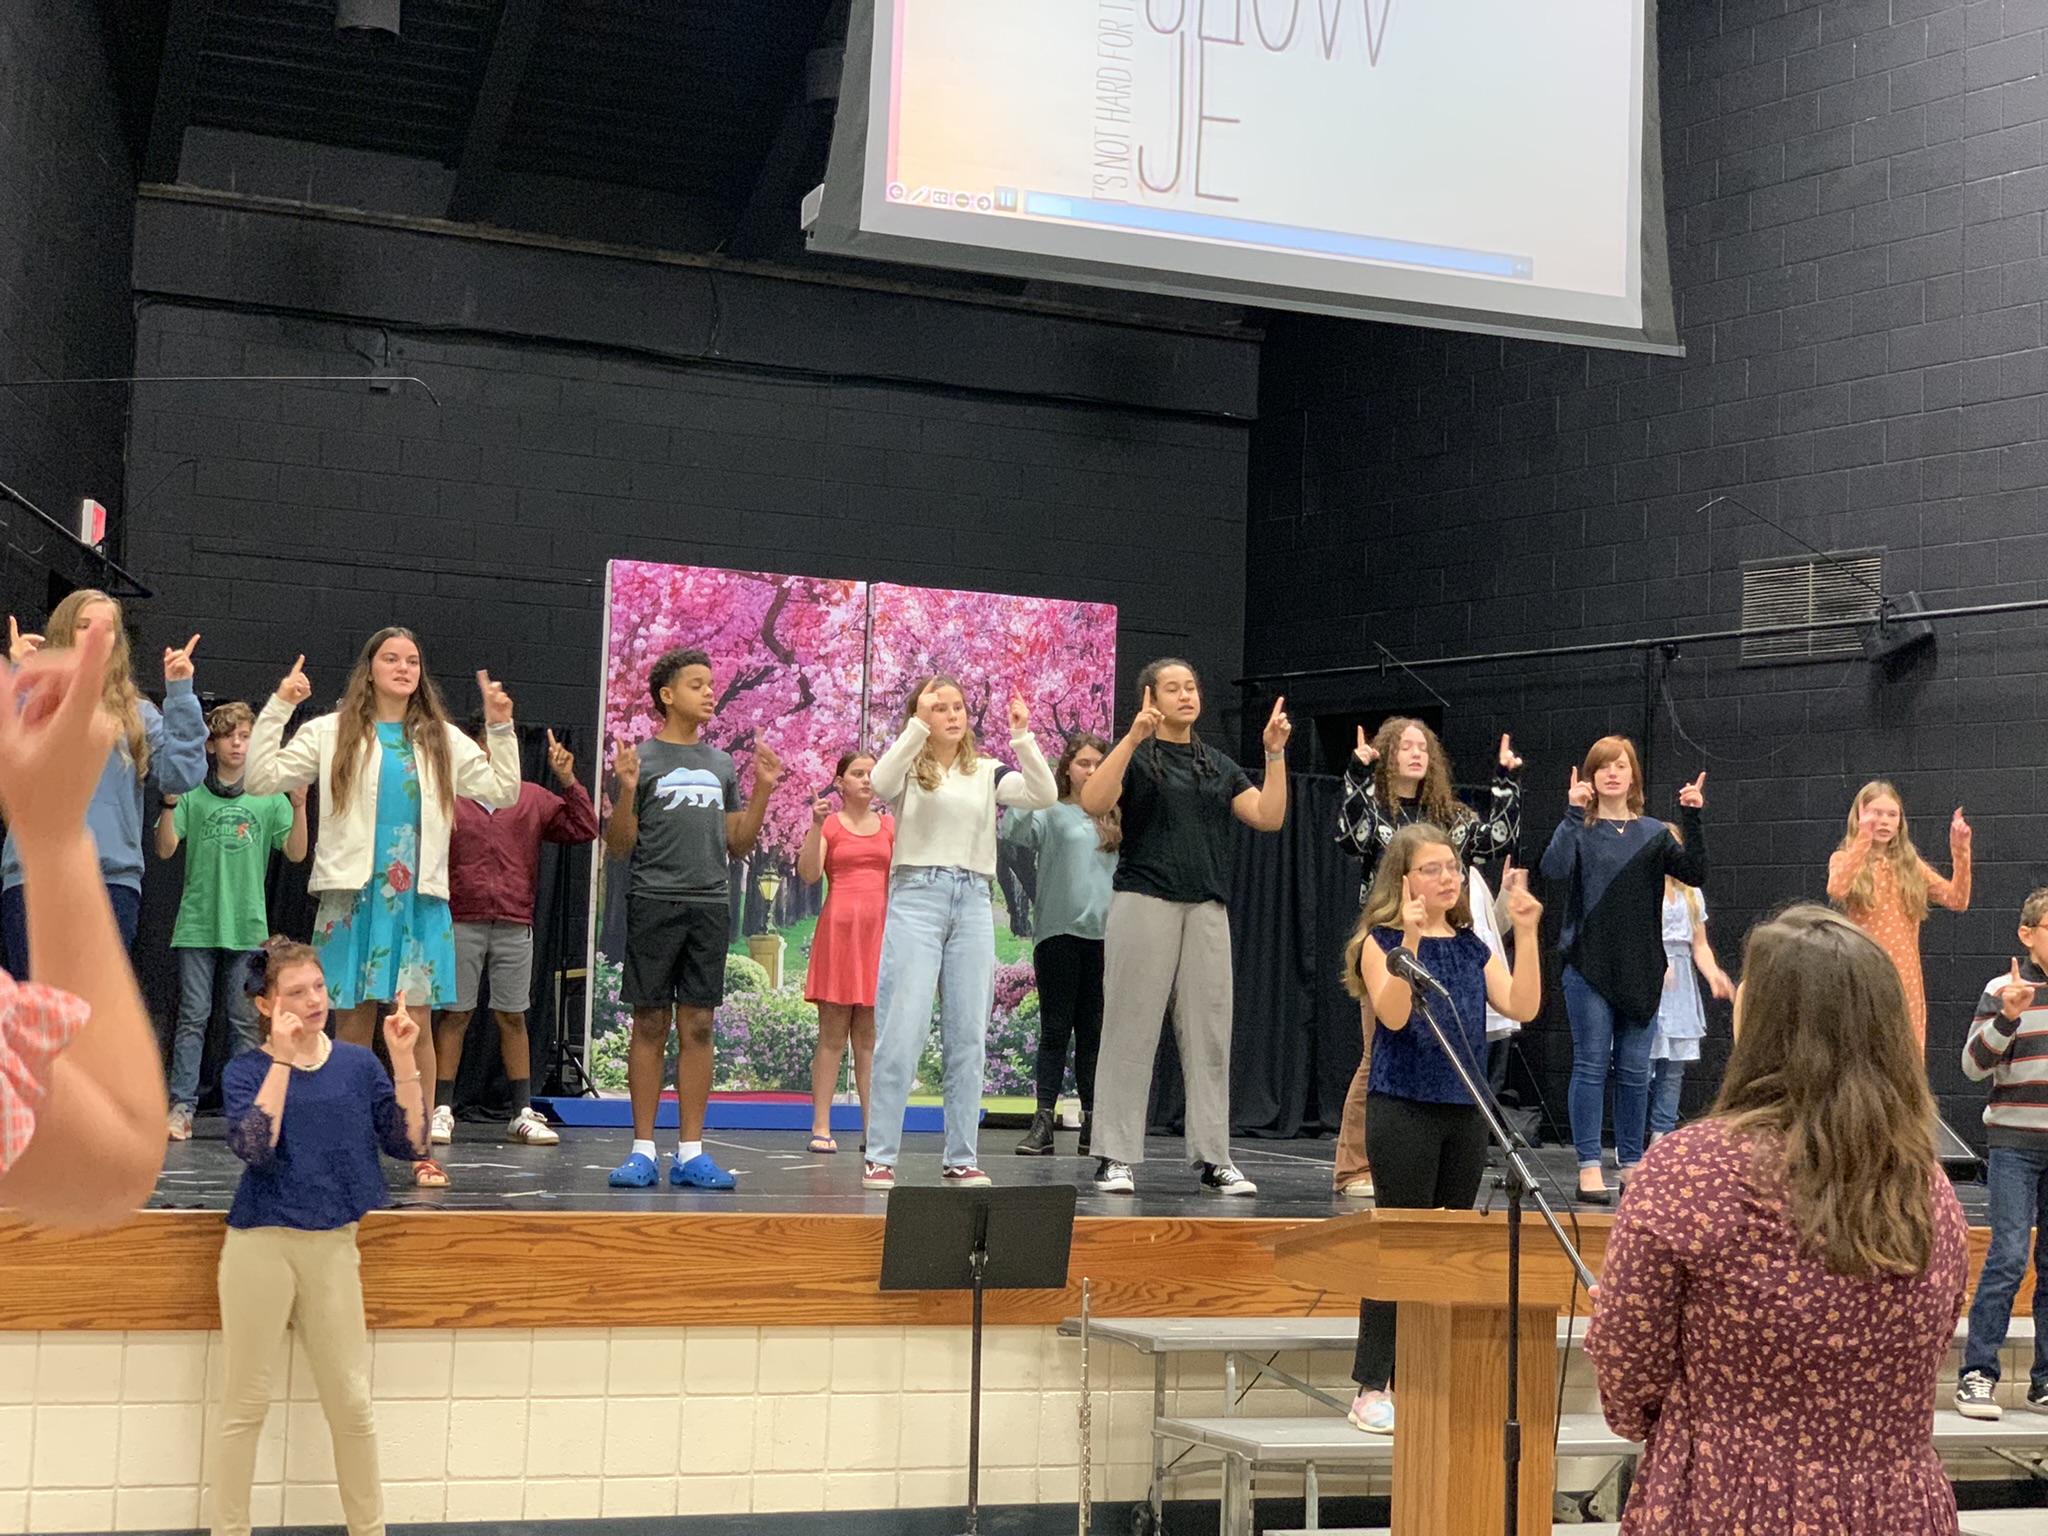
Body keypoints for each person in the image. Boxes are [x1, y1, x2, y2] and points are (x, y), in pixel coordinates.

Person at [1587, 905, 1968, 1535]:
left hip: (1729, 1505)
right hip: (1897, 1510)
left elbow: (1628, 1395)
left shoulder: (1690, 1171)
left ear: (1764, 1021)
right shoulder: (1932, 1189)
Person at [246, 633, 521, 1189]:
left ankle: (419, 1147)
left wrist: (499, 727)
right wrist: (280, 706)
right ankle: (346, 1145)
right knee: (351, 1022)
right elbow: (259, 778)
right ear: (369, 670)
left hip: (417, 897)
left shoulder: (440, 737)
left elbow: (504, 790)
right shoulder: (331, 731)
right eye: (390, 658)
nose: (403, 667)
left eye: (412, 660)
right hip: (354, 894)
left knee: (414, 1025)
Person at [211, 940, 427, 1536]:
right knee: (244, 1405)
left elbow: (411, 1143)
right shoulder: (245, 1071)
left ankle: (369, 1529)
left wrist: (403, 1060)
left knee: (352, 1404)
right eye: (296, 992)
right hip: (260, 1245)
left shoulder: (357, 1066)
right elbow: (255, 1147)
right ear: (265, 1005)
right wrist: (282, 1061)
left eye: (319, 987)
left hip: (332, 1246)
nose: (313, 1001)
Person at [1341, 824, 1542, 1435]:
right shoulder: (1380, 943)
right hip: (1403, 1107)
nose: (1449, 878)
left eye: (1453, 867)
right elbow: (1394, 1016)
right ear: (1404, 879)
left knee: (1448, 1246)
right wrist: (1409, 934)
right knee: (1401, 1243)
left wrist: (1527, 933)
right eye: (1433, 869)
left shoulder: (1471, 945)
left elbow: (1522, 1006)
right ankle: (1372, 1383)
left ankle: (1424, 1374)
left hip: (1464, 1110)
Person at [1080, 660, 1288, 1196]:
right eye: (1172, 688)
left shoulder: (1216, 764)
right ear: (1150, 697)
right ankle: (1114, 1155)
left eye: (1191, 686)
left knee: (1210, 1037)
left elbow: (1268, 816)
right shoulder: (1136, 755)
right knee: (1129, 1030)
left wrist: (1274, 754)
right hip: (1143, 900)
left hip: (1206, 909)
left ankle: (1215, 1158)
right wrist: (1131, 738)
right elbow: (1094, 801)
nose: (1186, 695)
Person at [0, 625, 171, 1229]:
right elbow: (115, 1166)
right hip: (44, 870)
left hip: (114, 872)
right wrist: (51, 834)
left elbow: (179, 769)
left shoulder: (137, 715)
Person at [861, 677, 1057, 1191]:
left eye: (958, 707)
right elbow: (879, 782)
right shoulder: (908, 767)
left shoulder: (986, 771)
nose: (952, 715)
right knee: (902, 1029)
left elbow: (1043, 793)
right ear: (921, 715)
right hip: (917, 896)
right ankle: (880, 1156)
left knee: (968, 1035)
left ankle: (961, 1157)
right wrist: (916, 726)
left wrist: (1022, 737)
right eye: (939, 708)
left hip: (972, 899)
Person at [605, 647, 781, 1190]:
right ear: (667, 695)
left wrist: (763, 789)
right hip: (653, 900)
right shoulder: (642, 759)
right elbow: (619, 846)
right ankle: (642, 1150)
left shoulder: (721, 763)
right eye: (696, 684)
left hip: (709, 905)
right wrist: (626, 791)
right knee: (650, 1022)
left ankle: (691, 1153)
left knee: (699, 1024)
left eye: (711, 683)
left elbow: (738, 843)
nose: (709, 693)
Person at [1331, 718, 1523, 1199]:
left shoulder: (1451, 818)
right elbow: (1351, 837)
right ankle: (1354, 1166)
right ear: (1387, 755)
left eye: (1423, 747)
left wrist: (1506, 784)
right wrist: (1357, 774)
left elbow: (1497, 841)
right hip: (1394, 944)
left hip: (1449, 942)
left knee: (1450, 1045)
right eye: (1405, 746)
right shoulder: (1377, 811)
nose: (1416, 754)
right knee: (1380, 1053)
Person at [1539, 737, 1706, 1203]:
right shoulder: (1581, 828)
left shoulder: (1652, 832)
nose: (1612, 773)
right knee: (1592, 1064)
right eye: (1603, 767)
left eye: (1621, 766)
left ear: (1633, 776)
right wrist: (1572, 813)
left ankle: (1632, 1163)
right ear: (1591, 777)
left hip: (1641, 967)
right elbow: (1552, 869)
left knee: (1635, 1072)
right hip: (1588, 965)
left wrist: (1693, 816)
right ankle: (1589, 1165)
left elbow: (1695, 873)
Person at [2, 594, 207, 967]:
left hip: (110, 881)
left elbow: (182, 775)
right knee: (37, 1002)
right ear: (64, 633)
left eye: (106, 627)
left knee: (95, 1005)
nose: (96, 635)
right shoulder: (32, 700)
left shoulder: (137, 713)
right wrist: (20, 679)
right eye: (84, 626)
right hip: (35, 876)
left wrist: (180, 694)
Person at [431, 722, 597, 1149]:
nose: (491, 755)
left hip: (514, 920)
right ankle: (441, 1109)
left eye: (501, 746)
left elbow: (583, 827)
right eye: (483, 747)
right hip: (459, 918)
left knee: (513, 1015)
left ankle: (521, 1112)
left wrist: (568, 780)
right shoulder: (448, 796)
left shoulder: (530, 797)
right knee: (455, 1014)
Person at [157, 702, 310, 1141]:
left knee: (244, 1022)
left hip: (247, 928)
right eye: (228, 736)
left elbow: (296, 853)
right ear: (212, 745)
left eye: (245, 736)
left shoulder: (267, 797)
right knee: (193, 1017)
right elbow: (165, 849)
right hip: (198, 924)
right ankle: (181, 1107)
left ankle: (246, 1108)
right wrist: (169, 802)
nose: (238, 744)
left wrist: (300, 806)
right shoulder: (193, 794)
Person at [1954, 889, 2048, 1420]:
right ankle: (1978, 1374)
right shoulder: (2002, 989)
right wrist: (2008, 1017)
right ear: (2027, 934)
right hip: (2015, 1143)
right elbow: (1973, 1067)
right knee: (2009, 1255)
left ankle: (2044, 1380)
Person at [1001, 733, 1118, 1156]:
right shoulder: (1051, 809)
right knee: (1055, 1029)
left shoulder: (1114, 815)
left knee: (1093, 1032)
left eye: (1097, 763)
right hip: (1058, 934)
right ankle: (1044, 1121)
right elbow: (1013, 830)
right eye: (1083, 763)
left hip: (1105, 938)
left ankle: (1093, 1122)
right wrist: (1029, 786)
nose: (1091, 770)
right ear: (1067, 768)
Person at [796, 751, 893, 1153]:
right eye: (857, 773)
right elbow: (809, 873)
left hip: (878, 935)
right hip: (839, 933)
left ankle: (874, 1131)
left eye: (872, 773)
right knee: (832, 1036)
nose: (866, 779)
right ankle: (821, 1125)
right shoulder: (831, 824)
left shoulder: (890, 826)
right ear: (840, 783)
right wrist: (816, 825)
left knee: (869, 1041)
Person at [1828, 781, 1971, 1048]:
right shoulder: (1844, 858)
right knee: (1864, 1049)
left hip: (1905, 979)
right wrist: (1862, 840)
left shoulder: (1908, 864)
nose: (1884, 821)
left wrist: (1960, 851)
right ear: (1858, 816)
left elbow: (1957, 900)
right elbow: (1837, 888)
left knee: (1905, 1051)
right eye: (1875, 813)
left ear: (1900, 821)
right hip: (1863, 973)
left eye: (1892, 814)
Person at [1646, 823, 1732, 1142]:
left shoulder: (1691, 892)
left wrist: (1713, 974)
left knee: (1673, 1068)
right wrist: (1654, 961)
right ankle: (1631, 1138)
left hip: (1680, 976)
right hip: (1648, 974)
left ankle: (1661, 1134)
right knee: (1642, 1064)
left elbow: (1700, 945)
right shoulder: (1641, 885)